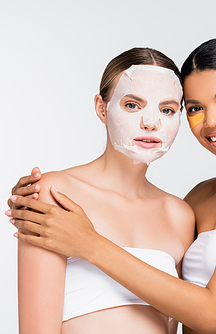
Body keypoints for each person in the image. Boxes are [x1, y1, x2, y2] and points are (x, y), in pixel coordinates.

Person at [8, 37, 216, 334]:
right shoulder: (196, 200)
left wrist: (90, 244)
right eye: (195, 107)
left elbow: (211, 314)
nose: (212, 120)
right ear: (102, 108)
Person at [8, 48, 195, 334]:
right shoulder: (53, 194)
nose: (151, 122)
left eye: (167, 109)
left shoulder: (179, 215)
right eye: (133, 105)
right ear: (101, 108)